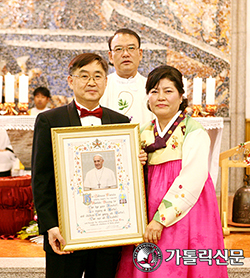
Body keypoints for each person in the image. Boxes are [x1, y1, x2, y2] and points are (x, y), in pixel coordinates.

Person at [116, 65, 228, 277]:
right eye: (154, 91)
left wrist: (160, 219)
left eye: (168, 91)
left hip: (185, 212)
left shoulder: (194, 131)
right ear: (147, 97)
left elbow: (192, 179)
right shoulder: (141, 133)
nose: (161, 97)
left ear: (181, 96)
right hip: (147, 212)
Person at [31, 53, 130, 278]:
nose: (91, 82)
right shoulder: (49, 120)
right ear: (70, 80)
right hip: (64, 232)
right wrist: (50, 226)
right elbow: (40, 178)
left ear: (106, 81)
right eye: (84, 76)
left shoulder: (121, 123)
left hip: (108, 231)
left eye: (98, 76)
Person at [100, 28, 153, 125]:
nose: (125, 54)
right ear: (111, 56)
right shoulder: (100, 88)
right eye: (119, 49)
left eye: (131, 48)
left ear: (140, 54)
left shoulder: (152, 88)